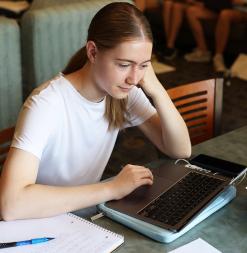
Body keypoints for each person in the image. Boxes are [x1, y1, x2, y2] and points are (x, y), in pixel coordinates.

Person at [0, 2, 191, 221]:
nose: (134, 78)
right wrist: (111, 188)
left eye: (144, 65)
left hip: (84, 220)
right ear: (93, 52)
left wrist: (157, 89)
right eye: (123, 64)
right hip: (39, 222)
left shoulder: (123, 93)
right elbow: (11, 205)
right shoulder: (46, 104)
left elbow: (180, 149)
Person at [184, 0, 247, 72]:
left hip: (243, 11)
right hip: (227, 8)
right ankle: (205, 52)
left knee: (225, 14)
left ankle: (218, 56)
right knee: (191, 11)